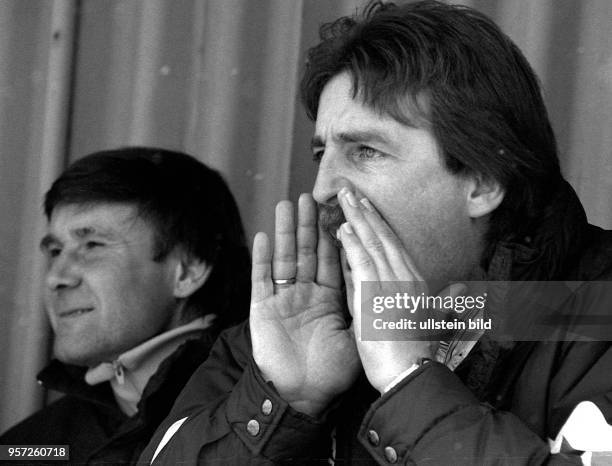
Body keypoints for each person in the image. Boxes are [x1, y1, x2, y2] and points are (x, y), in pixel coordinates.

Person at [140, 1, 612, 464]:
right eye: (320, 154)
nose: (324, 188)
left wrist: (411, 385)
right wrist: (284, 400)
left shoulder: (595, 314)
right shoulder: (303, 321)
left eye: (365, 151)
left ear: (483, 181)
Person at [0, 147, 251, 464]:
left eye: (92, 245)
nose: (56, 278)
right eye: (55, 251)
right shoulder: (27, 448)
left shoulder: (271, 411)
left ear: (187, 270)